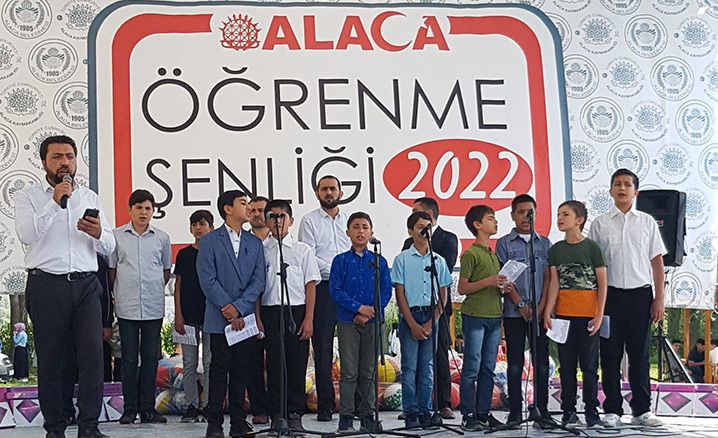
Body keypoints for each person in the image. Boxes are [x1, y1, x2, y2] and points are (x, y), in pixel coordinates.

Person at [15, 135, 115, 438]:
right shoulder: (29, 196)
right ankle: (55, 428)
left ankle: (89, 426)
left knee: (92, 358)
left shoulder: (89, 196)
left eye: (70, 156)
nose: (65, 163)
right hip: (46, 285)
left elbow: (110, 246)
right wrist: (55, 203)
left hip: (86, 286)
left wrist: (98, 233)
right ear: (44, 162)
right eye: (57, 157)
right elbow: (27, 235)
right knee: (51, 361)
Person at [588, 168, 666, 428]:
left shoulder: (647, 222)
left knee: (639, 355)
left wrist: (659, 298)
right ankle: (612, 409)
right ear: (610, 191)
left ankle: (642, 409)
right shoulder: (599, 224)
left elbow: (656, 262)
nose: (622, 188)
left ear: (636, 192)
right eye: (617, 184)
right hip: (609, 297)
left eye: (627, 184)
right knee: (609, 353)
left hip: (640, 296)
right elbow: (593, 265)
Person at [197, 190, 266, 438]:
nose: (249, 208)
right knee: (218, 370)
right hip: (219, 318)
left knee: (240, 371)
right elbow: (207, 279)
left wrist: (239, 307)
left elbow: (259, 280)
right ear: (228, 209)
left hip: (244, 319)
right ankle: (214, 423)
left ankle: (238, 422)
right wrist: (227, 306)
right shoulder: (209, 241)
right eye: (243, 203)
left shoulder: (255, 243)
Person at [109, 189, 172, 425]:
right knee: (127, 359)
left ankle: (148, 409)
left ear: (153, 211)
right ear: (130, 210)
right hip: (127, 307)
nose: (143, 213)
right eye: (139, 208)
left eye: (147, 208)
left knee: (150, 359)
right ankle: (129, 410)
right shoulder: (116, 236)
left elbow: (165, 271)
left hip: (153, 307)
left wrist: (151, 290)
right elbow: (112, 271)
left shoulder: (162, 238)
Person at [544, 200, 607, 429]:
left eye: (565, 214)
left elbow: (602, 283)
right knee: (567, 366)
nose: (560, 218)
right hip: (564, 316)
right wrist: (548, 311)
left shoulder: (592, 248)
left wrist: (599, 314)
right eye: (558, 214)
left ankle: (592, 411)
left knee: (589, 367)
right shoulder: (556, 250)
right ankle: (568, 411)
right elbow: (554, 283)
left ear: (579, 220)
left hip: (588, 315)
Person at [495, 194, 555, 429]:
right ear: (512, 215)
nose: (525, 216)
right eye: (520, 212)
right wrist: (521, 305)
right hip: (514, 313)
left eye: (529, 212)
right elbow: (504, 279)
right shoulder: (504, 244)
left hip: (539, 313)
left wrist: (540, 308)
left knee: (541, 363)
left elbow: (549, 278)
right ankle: (515, 413)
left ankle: (541, 410)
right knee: (514, 363)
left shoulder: (545, 244)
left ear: (536, 214)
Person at [259, 199, 320, 432]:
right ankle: (278, 414)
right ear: (266, 221)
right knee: (275, 365)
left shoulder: (302, 250)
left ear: (291, 220)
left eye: (282, 216)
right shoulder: (261, 250)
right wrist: (258, 318)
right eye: (272, 216)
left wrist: (309, 319)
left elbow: (310, 285)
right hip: (270, 311)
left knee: (297, 364)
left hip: (296, 311)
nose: (277, 221)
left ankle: (295, 414)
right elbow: (257, 288)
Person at [331, 212, 392, 433]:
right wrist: (358, 309)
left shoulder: (378, 261)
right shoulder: (340, 261)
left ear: (371, 233)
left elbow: (386, 291)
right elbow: (335, 290)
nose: (360, 231)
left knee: (369, 371)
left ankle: (367, 415)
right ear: (348, 232)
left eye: (365, 227)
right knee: (349, 372)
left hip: (372, 321)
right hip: (347, 322)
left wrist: (369, 312)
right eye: (355, 227)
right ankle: (346, 417)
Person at [298, 175, 352, 422]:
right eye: (324, 189)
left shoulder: (350, 221)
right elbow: (309, 256)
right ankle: (326, 405)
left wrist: (346, 274)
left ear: (341, 193)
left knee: (354, 347)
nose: (328, 192)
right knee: (323, 349)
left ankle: (355, 404)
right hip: (323, 288)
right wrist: (339, 271)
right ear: (317, 194)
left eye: (332, 188)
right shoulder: (309, 221)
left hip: (350, 289)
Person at [392, 211, 452, 430]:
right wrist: (411, 323)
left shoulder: (439, 260)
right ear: (410, 232)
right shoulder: (402, 259)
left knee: (427, 367)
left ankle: (426, 411)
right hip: (410, 315)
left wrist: (431, 321)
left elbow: (443, 294)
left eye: (429, 227)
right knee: (410, 368)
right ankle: (411, 412)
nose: (425, 231)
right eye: (420, 227)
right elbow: (400, 294)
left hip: (431, 316)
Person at [401, 197, 459, 419]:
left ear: (431, 216)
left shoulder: (447, 240)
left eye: (418, 212)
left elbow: (446, 271)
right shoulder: (406, 249)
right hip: (413, 311)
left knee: (437, 357)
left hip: (437, 311)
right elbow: (401, 286)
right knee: (412, 364)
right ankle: (412, 407)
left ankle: (441, 403)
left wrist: (431, 320)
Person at [457, 205, 506, 431]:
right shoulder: (470, 254)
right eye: (490, 218)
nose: (495, 222)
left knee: (488, 368)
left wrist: (503, 286)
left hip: (494, 316)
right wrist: (488, 281)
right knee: (472, 367)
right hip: (475, 316)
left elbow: (493, 285)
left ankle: (484, 412)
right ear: (477, 225)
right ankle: (468, 414)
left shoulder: (493, 255)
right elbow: (462, 288)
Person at [174, 210, 215, 422]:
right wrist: (178, 315)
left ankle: (208, 405)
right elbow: (178, 285)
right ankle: (192, 404)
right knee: (189, 362)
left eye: (202, 224)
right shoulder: (184, 254)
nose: (198, 228)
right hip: (187, 316)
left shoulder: (216, 253)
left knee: (209, 362)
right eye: (194, 224)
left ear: (211, 228)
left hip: (211, 316)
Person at [246, 196, 271, 425]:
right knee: (252, 362)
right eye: (252, 210)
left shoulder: (280, 241)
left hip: (275, 308)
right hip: (248, 309)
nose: (256, 214)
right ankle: (259, 409)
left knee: (276, 362)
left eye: (261, 210)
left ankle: (279, 408)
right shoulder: (242, 242)